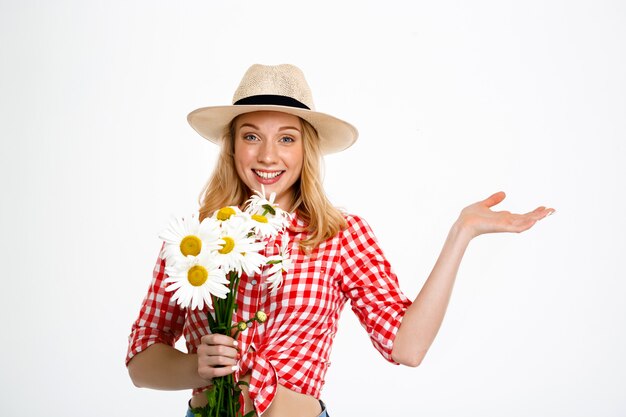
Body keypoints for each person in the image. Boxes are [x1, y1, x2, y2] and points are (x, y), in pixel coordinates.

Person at [126, 64, 554, 417]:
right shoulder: (196, 239)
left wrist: (462, 233)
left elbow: (407, 347)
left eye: (287, 139)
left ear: (306, 149)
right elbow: (141, 361)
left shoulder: (341, 235)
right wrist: (197, 368)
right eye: (251, 136)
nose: (268, 155)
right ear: (233, 147)